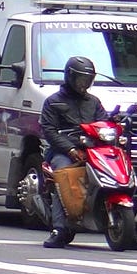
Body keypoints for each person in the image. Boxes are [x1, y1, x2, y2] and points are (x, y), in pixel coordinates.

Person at [39, 55, 105, 249]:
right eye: (80, 79)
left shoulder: (94, 102)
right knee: (64, 176)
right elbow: (49, 131)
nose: (84, 84)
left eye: (87, 79)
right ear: (70, 77)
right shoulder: (53, 102)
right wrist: (70, 149)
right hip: (62, 152)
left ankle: (129, 230)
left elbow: (103, 123)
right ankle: (58, 229)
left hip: (92, 150)